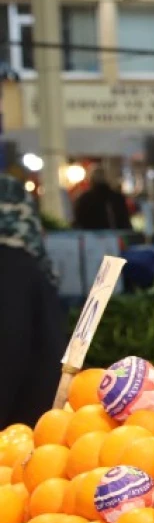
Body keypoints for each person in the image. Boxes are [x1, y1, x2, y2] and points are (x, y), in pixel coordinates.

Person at [0, 176, 67, 429]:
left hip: (19, 427)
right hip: (35, 424)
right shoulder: (30, 265)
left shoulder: (9, 269)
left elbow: (9, 350)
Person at [73, 166, 132, 232]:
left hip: (91, 236)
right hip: (116, 235)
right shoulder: (117, 198)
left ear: (91, 180)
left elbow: (79, 222)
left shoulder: (85, 199)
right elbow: (125, 221)